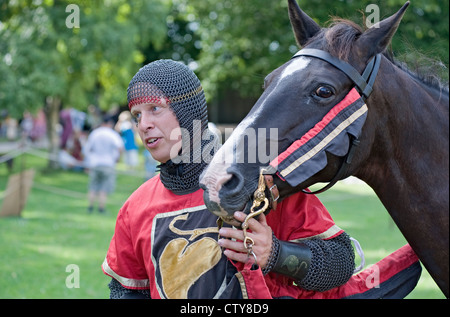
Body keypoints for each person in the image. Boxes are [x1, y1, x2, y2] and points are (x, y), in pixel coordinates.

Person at [101, 59, 361, 299]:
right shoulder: (134, 208)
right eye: (137, 115)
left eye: (155, 108)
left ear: (186, 110)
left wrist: (275, 254)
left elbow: (341, 261)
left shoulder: (261, 185)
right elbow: (128, 290)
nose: (143, 124)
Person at [83, 116, 124, 213]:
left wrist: (88, 162)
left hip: (95, 163)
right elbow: (120, 147)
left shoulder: (95, 133)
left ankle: (90, 206)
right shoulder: (112, 134)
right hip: (108, 163)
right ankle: (101, 208)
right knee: (104, 188)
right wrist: (117, 158)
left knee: (93, 186)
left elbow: (87, 149)